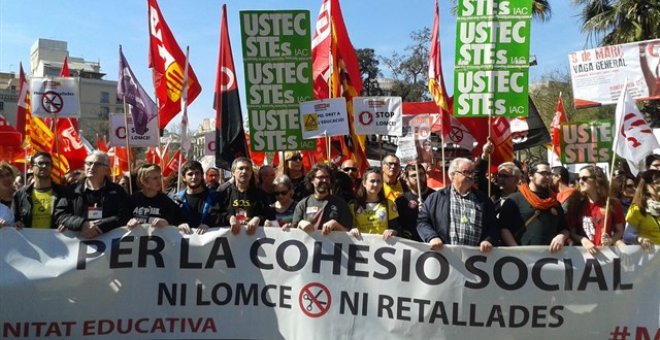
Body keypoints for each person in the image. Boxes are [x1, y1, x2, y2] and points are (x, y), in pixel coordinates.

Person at [417, 158, 498, 252]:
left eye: (472, 172)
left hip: (474, 260)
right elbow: (422, 222)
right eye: (466, 172)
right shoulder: (436, 198)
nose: (471, 175)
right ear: (453, 174)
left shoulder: (483, 200)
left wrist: (488, 240)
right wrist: (431, 237)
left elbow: (493, 225)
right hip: (444, 258)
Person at [54, 151, 130, 238]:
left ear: (106, 170)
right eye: (89, 163)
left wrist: (99, 226)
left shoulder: (117, 191)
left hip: (108, 245)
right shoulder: (72, 191)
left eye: (97, 164)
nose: (92, 167)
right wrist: (82, 224)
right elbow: (60, 215)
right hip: (77, 245)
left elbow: (124, 216)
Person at [499, 161, 569, 252]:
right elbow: (504, 228)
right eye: (543, 173)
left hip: (550, 259)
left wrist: (561, 237)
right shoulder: (514, 200)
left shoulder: (554, 202)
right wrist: (515, 250)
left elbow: (564, 229)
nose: (548, 177)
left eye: (549, 174)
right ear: (530, 175)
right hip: (522, 259)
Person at [566, 165, 625, 256]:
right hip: (582, 257)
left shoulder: (612, 203)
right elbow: (572, 232)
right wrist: (583, 240)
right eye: (579, 178)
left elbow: (620, 231)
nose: (580, 181)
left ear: (597, 180)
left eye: (584, 178)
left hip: (607, 256)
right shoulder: (575, 203)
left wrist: (611, 240)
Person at [215, 157, 274, 235]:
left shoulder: (259, 194)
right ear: (233, 172)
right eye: (241, 168)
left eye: (247, 169)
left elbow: (269, 215)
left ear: (251, 173)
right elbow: (213, 215)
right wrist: (229, 218)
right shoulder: (223, 192)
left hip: (253, 240)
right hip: (229, 240)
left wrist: (258, 218)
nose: (244, 171)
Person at [291, 163, 352, 235]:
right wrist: (300, 224)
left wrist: (336, 225)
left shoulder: (340, 204)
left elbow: (349, 234)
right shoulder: (302, 205)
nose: (324, 180)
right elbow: (293, 234)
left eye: (327, 177)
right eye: (320, 177)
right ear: (312, 180)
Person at [12, 152, 66, 229]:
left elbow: (70, 215)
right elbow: (13, 219)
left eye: (47, 164)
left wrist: (66, 223)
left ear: (52, 167)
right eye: (40, 163)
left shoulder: (64, 192)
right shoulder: (20, 194)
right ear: (31, 167)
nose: (44, 166)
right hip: (29, 240)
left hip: (57, 240)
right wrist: (17, 223)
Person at [127, 164, 184, 230]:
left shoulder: (166, 201)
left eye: (160, 177)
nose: (159, 181)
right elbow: (122, 220)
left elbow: (178, 221)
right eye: (155, 178)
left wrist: (166, 223)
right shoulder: (132, 200)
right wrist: (129, 222)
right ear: (144, 181)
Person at [349, 167, 399, 240]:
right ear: (364, 183)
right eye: (372, 181)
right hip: (360, 246)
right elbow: (347, 228)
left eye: (378, 181)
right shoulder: (353, 205)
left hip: (383, 246)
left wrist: (392, 231)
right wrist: (352, 230)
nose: (376, 184)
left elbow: (396, 228)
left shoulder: (389, 204)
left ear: (382, 184)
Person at [173, 161, 217, 234]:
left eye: (197, 173)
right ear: (184, 178)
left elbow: (222, 216)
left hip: (210, 242)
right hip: (184, 243)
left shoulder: (215, 197)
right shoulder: (176, 200)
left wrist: (208, 224)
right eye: (190, 174)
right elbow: (170, 219)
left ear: (202, 175)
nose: (194, 177)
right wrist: (179, 224)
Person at [395, 163, 434, 242]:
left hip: (432, 243)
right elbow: (398, 226)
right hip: (411, 246)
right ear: (406, 178)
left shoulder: (436, 197)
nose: (418, 178)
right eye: (413, 175)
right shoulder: (401, 200)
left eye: (421, 174)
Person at [624, 169, 660, 249]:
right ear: (646, 187)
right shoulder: (637, 209)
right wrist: (639, 240)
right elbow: (626, 236)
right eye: (657, 183)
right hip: (649, 257)